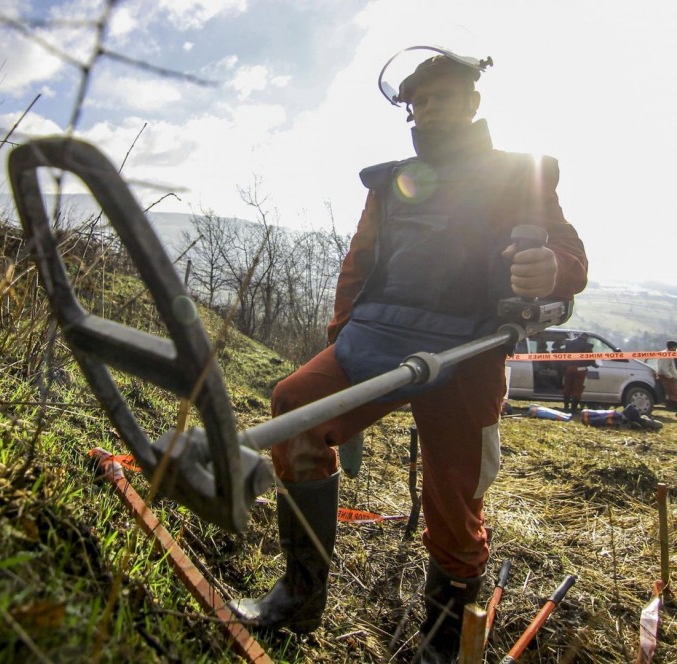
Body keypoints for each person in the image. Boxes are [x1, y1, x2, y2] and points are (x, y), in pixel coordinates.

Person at [228, 48, 588, 663]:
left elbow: (570, 258)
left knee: (454, 496)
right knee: (295, 403)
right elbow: (359, 265)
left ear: (473, 102)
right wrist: (341, 336)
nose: (426, 111)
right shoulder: (390, 182)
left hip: (468, 352)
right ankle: (300, 592)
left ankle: (444, 639)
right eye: (416, 103)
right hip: (376, 337)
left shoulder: (521, 173)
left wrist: (553, 268)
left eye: (439, 98)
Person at [560, 333, 594, 414]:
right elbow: (590, 359)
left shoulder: (569, 343)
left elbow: (565, 356)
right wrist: (594, 364)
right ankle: (573, 409)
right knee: (577, 389)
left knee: (567, 387)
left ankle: (566, 406)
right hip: (580, 369)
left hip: (569, 368)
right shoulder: (587, 346)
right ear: (586, 338)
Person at [657, 340, 677, 410]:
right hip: (666, 376)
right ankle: (672, 406)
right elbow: (664, 369)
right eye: (675, 348)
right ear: (672, 348)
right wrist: (671, 377)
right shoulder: (665, 355)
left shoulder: (669, 353)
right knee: (673, 391)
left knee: (673, 391)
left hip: (670, 375)